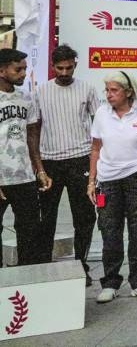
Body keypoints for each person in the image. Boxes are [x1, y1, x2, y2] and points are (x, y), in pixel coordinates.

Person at [87, 71, 137, 302]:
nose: (109, 95)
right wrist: (92, 181)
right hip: (107, 180)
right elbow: (96, 149)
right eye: (107, 90)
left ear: (128, 92)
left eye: (114, 90)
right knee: (109, 230)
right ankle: (110, 282)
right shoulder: (101, 114)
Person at [35, 44, 100, 283]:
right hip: (50, 161)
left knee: (84, 216)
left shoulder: (87, 89)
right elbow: (34, 129)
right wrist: (39, 166)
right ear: (52, 66)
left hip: (80, 159)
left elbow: (99, 126)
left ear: (75, 65)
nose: (64, 72)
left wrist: (96, 163)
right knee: (46, 216)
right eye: (60, 68)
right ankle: (43, 264)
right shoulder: (41, 91)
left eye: (69, 68)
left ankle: (80, 264)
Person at [0, 48, 51, 266]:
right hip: (1, 176)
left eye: (25, 68)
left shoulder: (26, 98)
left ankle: (26, 281)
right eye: (18, 69)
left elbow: (32, 137)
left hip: (24, 177)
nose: (23, 73)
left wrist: (39, 169)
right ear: (2, 71)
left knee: (30, 230)